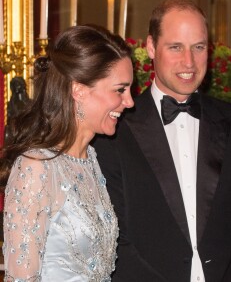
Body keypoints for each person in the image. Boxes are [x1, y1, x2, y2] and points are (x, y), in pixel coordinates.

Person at [93, 0, 231, 282]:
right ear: (151, 47)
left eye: (198, 47)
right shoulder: (113, 130)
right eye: (176, 47)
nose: (189, 62)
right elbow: (113, 238)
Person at [0, 25, 134, 281]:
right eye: (120, 90)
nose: (129, 102)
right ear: (79, 90)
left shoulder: (91, 159)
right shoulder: (36, 166)